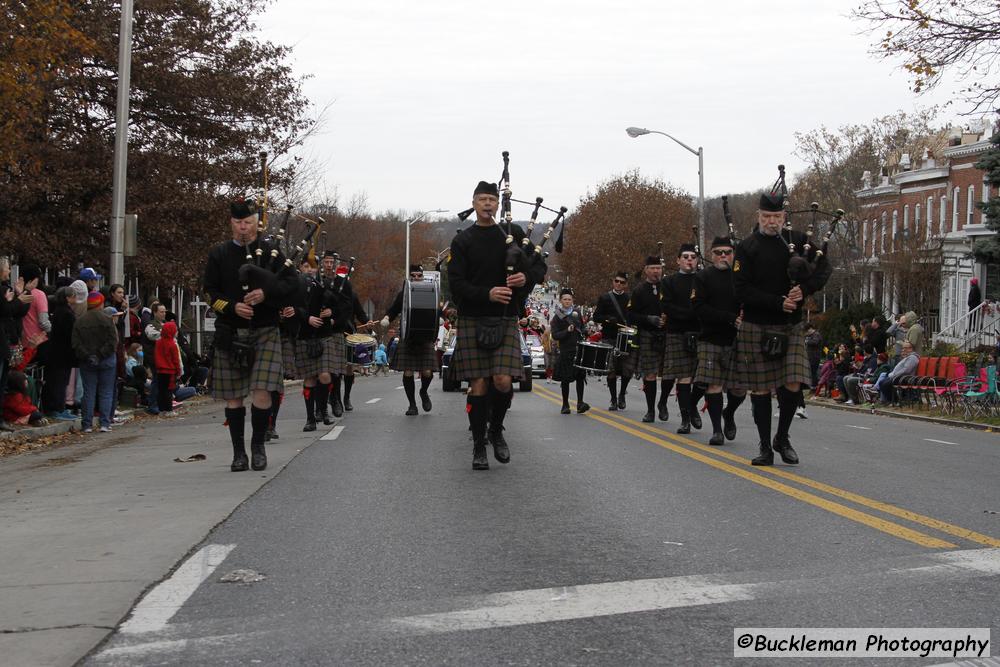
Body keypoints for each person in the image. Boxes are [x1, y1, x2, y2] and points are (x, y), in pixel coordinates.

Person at [446, 180, 547, 470]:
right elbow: (456, 285)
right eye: (482, 199)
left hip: (505, 318)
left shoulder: (513, 235)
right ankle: (479, 445)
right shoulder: (462, 241)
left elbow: (539, 266)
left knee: (502, 381)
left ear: (497, 204)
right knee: (478, 384)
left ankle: (496, 429)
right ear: (474, 203)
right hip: (473, 318)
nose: (488, 203)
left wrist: (525, 278)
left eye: (492, 198)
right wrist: (487, 292)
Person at [733, 187, 832, 466]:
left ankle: (782, 437)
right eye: (767, 216)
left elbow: (825, 269)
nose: (772, 221)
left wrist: (804, 289)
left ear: (784, 216)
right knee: (762, 389)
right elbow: (741, 290)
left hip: (790, 326)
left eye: (776, 216)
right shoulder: (747, 247)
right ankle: (765, 447)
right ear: (759, 216)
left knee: (792, 383)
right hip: (757, 323)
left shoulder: (798, 242)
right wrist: (777, 302)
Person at [203, 199, 297, 472]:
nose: (242, 228)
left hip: (265, 329)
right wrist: (232, 307)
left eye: (247, 222)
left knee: (262, 391)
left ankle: (258, 447)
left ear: (257, 222)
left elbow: (292, 285)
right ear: (231, 223)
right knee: (234, 396)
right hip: (231, 332)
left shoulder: (273, 253)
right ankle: (238, 453)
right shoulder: (219, 254)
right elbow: (208, 291)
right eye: (237, 223)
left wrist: (266, 294)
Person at [692, 236, 747, 446]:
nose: (723, 256)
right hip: (711, 337)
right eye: (718, 252)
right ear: (711, 254)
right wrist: (730, 318)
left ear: (733, 254)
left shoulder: (741, 277)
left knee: (739, 389)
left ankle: (729, 413)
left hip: (738, 339)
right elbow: (699, 307)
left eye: (727, 252)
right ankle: (716, 431)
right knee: (713, 385)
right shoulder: (703, 277)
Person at [381, 265, 438, 416]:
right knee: (408, 372)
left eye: (419, 275)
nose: (417, 278)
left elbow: (436, 310)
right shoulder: (404, 293)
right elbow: (394, 309)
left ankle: (424, 392)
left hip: (425, 337)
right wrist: (387, 317)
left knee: (427, 372)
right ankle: (412, 405)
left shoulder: (430, 292)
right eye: (414, 275)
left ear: (423, 276)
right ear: (410, 277)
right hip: (408, 336)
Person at [660, 243, 702, 433]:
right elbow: (666, 306)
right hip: (677, 333)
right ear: (678, 260)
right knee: (684, 377)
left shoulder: (703, 280)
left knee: (703, 379)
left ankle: (692, 405)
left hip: (701, 333)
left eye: (693, 257)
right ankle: (685, 419)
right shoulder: (669, 281)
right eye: (685, 257)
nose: (689, 260)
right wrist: (690, 315)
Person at [295, 254, 340, 431]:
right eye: (306, 266)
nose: (309, 270)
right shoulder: (294, 286)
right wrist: (308, 318)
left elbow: (340, 307)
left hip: (324, 335)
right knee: (309, 379)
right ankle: (310, 418)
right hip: (304, 335)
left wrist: (331, 312)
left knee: (325, 375)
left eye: (312, 266)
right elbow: (291, 309)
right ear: (300, 268)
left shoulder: (326, 285)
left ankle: (322, 410)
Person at [72, 292, 118, 433]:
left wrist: (88, 356)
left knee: (89, 392)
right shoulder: (107, 320)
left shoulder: (79, 321)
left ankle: (87, 424)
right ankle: (105, 423)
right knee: (106, 391)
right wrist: (100, 354)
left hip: (87, 361)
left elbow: (76, 344)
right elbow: (112, 341)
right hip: (106, 359)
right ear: (100, 304)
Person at [627, 256, 666, 423]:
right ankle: (651, 410)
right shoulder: (639, 290)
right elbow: (630, 315)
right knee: (650, 374)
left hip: (669, 333)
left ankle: (662, 402)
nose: (656, 271)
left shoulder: (669, 287)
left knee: (670, 374)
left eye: (658, 268)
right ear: (646, 270)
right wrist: (648, 319)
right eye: (653, 268)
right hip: (648, 335)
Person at [592, 271, 635, 411]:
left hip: (626, 337)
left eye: (622, 282)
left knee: (627, 370)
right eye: (617, 281)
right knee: (610, 369)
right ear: (613, 282)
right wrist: (607, 319)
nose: (619, 284)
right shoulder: (605, 298)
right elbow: (596, 316)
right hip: (609, 337)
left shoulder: (629, 298)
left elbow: (634, 316)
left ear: (626, 285)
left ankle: (622, 393)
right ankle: (613, 399)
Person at [550, 288, 589, 414]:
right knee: (565, 379)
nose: (567, 301)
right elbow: (555, 335)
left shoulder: (577, 313)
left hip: (578, 349)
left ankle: (580, 403)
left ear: (572, 301)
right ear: (561, 300)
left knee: (580, 377)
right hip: (566, 350)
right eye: (565, 299)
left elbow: (582, 328)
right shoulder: (557, 316)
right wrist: (567, 331)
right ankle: (565, 404)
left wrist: (584, 331)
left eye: (569, 299)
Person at [42, 287, 78, 420]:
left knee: (59, 380)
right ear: (68, 298)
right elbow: (70, 334)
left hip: (57, 352)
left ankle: (58, 406)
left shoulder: (58, 311)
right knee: (60, 381)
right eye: (74, 296)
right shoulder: (66, 314)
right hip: (62, 353)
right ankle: (57, 408)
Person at [154, 320, 182, 417]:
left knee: (161, 390)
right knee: (168, 391)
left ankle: (162, 410)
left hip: (160, 370)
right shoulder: (172, 344)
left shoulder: (158, 343)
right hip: (170, 371)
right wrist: (178, 371)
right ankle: (169, 409)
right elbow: (176, 360)